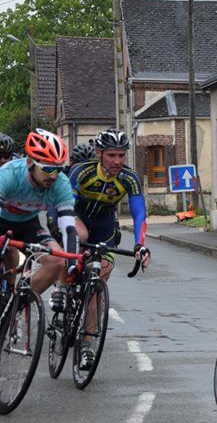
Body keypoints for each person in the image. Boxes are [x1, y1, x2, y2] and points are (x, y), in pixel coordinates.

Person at [0, 129, 79, 319]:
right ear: (30, 163)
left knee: (56, 261)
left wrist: (72, 264)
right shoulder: (8, 174)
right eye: (47, 168)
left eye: (58, 169)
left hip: (29, 224)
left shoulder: (61, 184)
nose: (53, 176)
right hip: (2, 222)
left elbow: (69, 228)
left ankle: (14, 307)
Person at [61, 129, 151, 293]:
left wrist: (140, 245)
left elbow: (139, 213)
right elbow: (67, 204)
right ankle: (62, 287)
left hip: (105, 226)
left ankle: (92, 312)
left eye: (121, 155)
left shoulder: (130, 178)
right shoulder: (82, 170)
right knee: (81, 236)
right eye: (111, 155)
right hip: (78, 216)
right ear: (98, 153)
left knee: (99, 284)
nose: (117, 161)